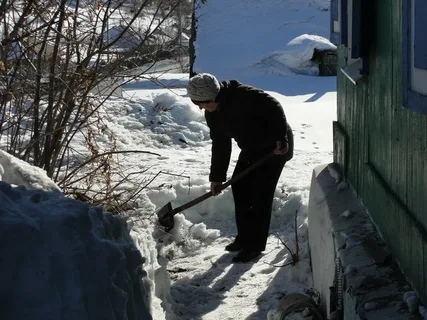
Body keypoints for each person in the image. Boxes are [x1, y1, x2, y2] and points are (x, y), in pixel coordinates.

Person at [186, 73, 294, 263]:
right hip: (252, 148)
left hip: (275, 147)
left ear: (213, 97)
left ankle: (255, 245)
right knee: (240, 188)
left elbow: (275, 108)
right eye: (198, 104)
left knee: (261, 194)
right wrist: (217, 177)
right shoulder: (213, 114)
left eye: (201, 103)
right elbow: (221, 145)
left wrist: (281, 139)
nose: (201, 108)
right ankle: (244, 238)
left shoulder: (244, 96)